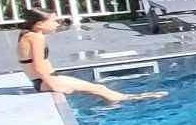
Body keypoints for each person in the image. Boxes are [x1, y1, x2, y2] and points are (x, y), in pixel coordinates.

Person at [15, 9, 165, 103]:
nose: (57, 24)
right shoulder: (36, 38)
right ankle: (134, 99)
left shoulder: (28, 35)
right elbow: (39, 66)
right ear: (39, 24)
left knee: (98, 89)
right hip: (47, 81)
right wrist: (55, 85)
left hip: (43, 80)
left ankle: (119, 102)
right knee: (99, 89)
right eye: (53, 21)